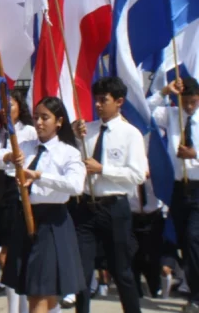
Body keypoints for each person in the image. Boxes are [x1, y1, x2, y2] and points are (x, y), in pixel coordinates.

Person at [0, 97, 86, 313]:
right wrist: (8, 156)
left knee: (41, 290)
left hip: (52, 221)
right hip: (25, 217)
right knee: (37, 289)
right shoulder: (25, 147)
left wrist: (39, 176)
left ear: (59, 121)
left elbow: (75, 186)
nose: (39, 123)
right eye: (36, 117)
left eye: (45, 117)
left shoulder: (68, 152)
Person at [70, 77, 147, 313]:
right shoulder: (88, 130)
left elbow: (138, 174)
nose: (98, 105)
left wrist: (104, 169)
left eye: (104, 100)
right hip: (86, 207)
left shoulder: (130, 134)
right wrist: (74, 133)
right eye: (97, 100)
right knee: (82, 271)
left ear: (119, 101)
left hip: (114, 207)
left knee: (120, 269)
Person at [148, 76, 199, 312]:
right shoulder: (171, 115)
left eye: (194, 102)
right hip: (179, 188)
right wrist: (164, 91)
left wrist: (195, 155)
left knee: (192, 238)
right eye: (185, 102)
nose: (189, 107)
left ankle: (196, 297)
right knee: (179, 239)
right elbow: (143, 110)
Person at [0, 90, 37, 313]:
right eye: (2, 106)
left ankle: (20, 305)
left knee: (13, 250)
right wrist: (4, 157)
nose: (6, 110)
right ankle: (12, 300)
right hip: (1, 189)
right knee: (0, 245)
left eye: (11, 105)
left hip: (19, 188)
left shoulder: (29, 132)